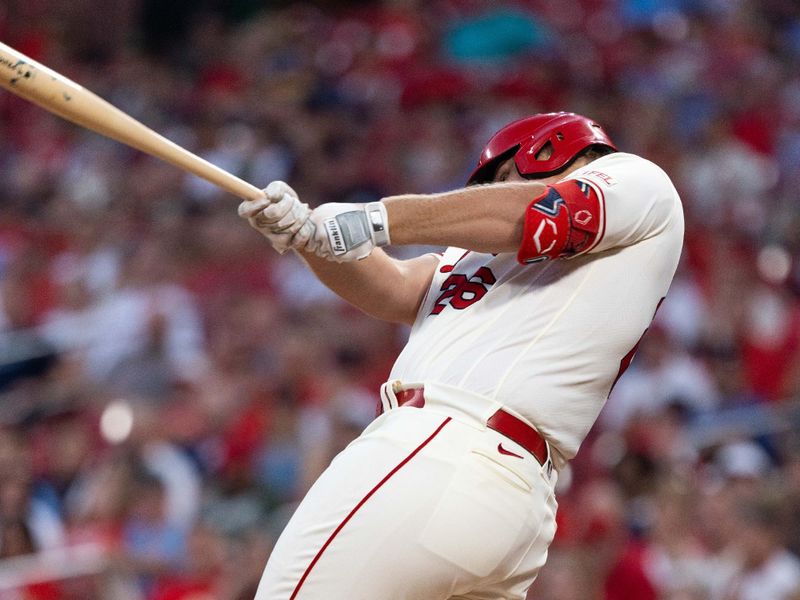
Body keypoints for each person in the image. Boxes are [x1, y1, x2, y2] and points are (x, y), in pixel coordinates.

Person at [238, 112, 684, 599]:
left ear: (545, 151)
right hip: (498, 494)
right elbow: (397, 291)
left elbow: (537, 211)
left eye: (498, 181)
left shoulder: (636, 179)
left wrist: (376, 217)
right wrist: (310, 236)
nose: (483, 200)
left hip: (446, 446)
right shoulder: (473, 256)